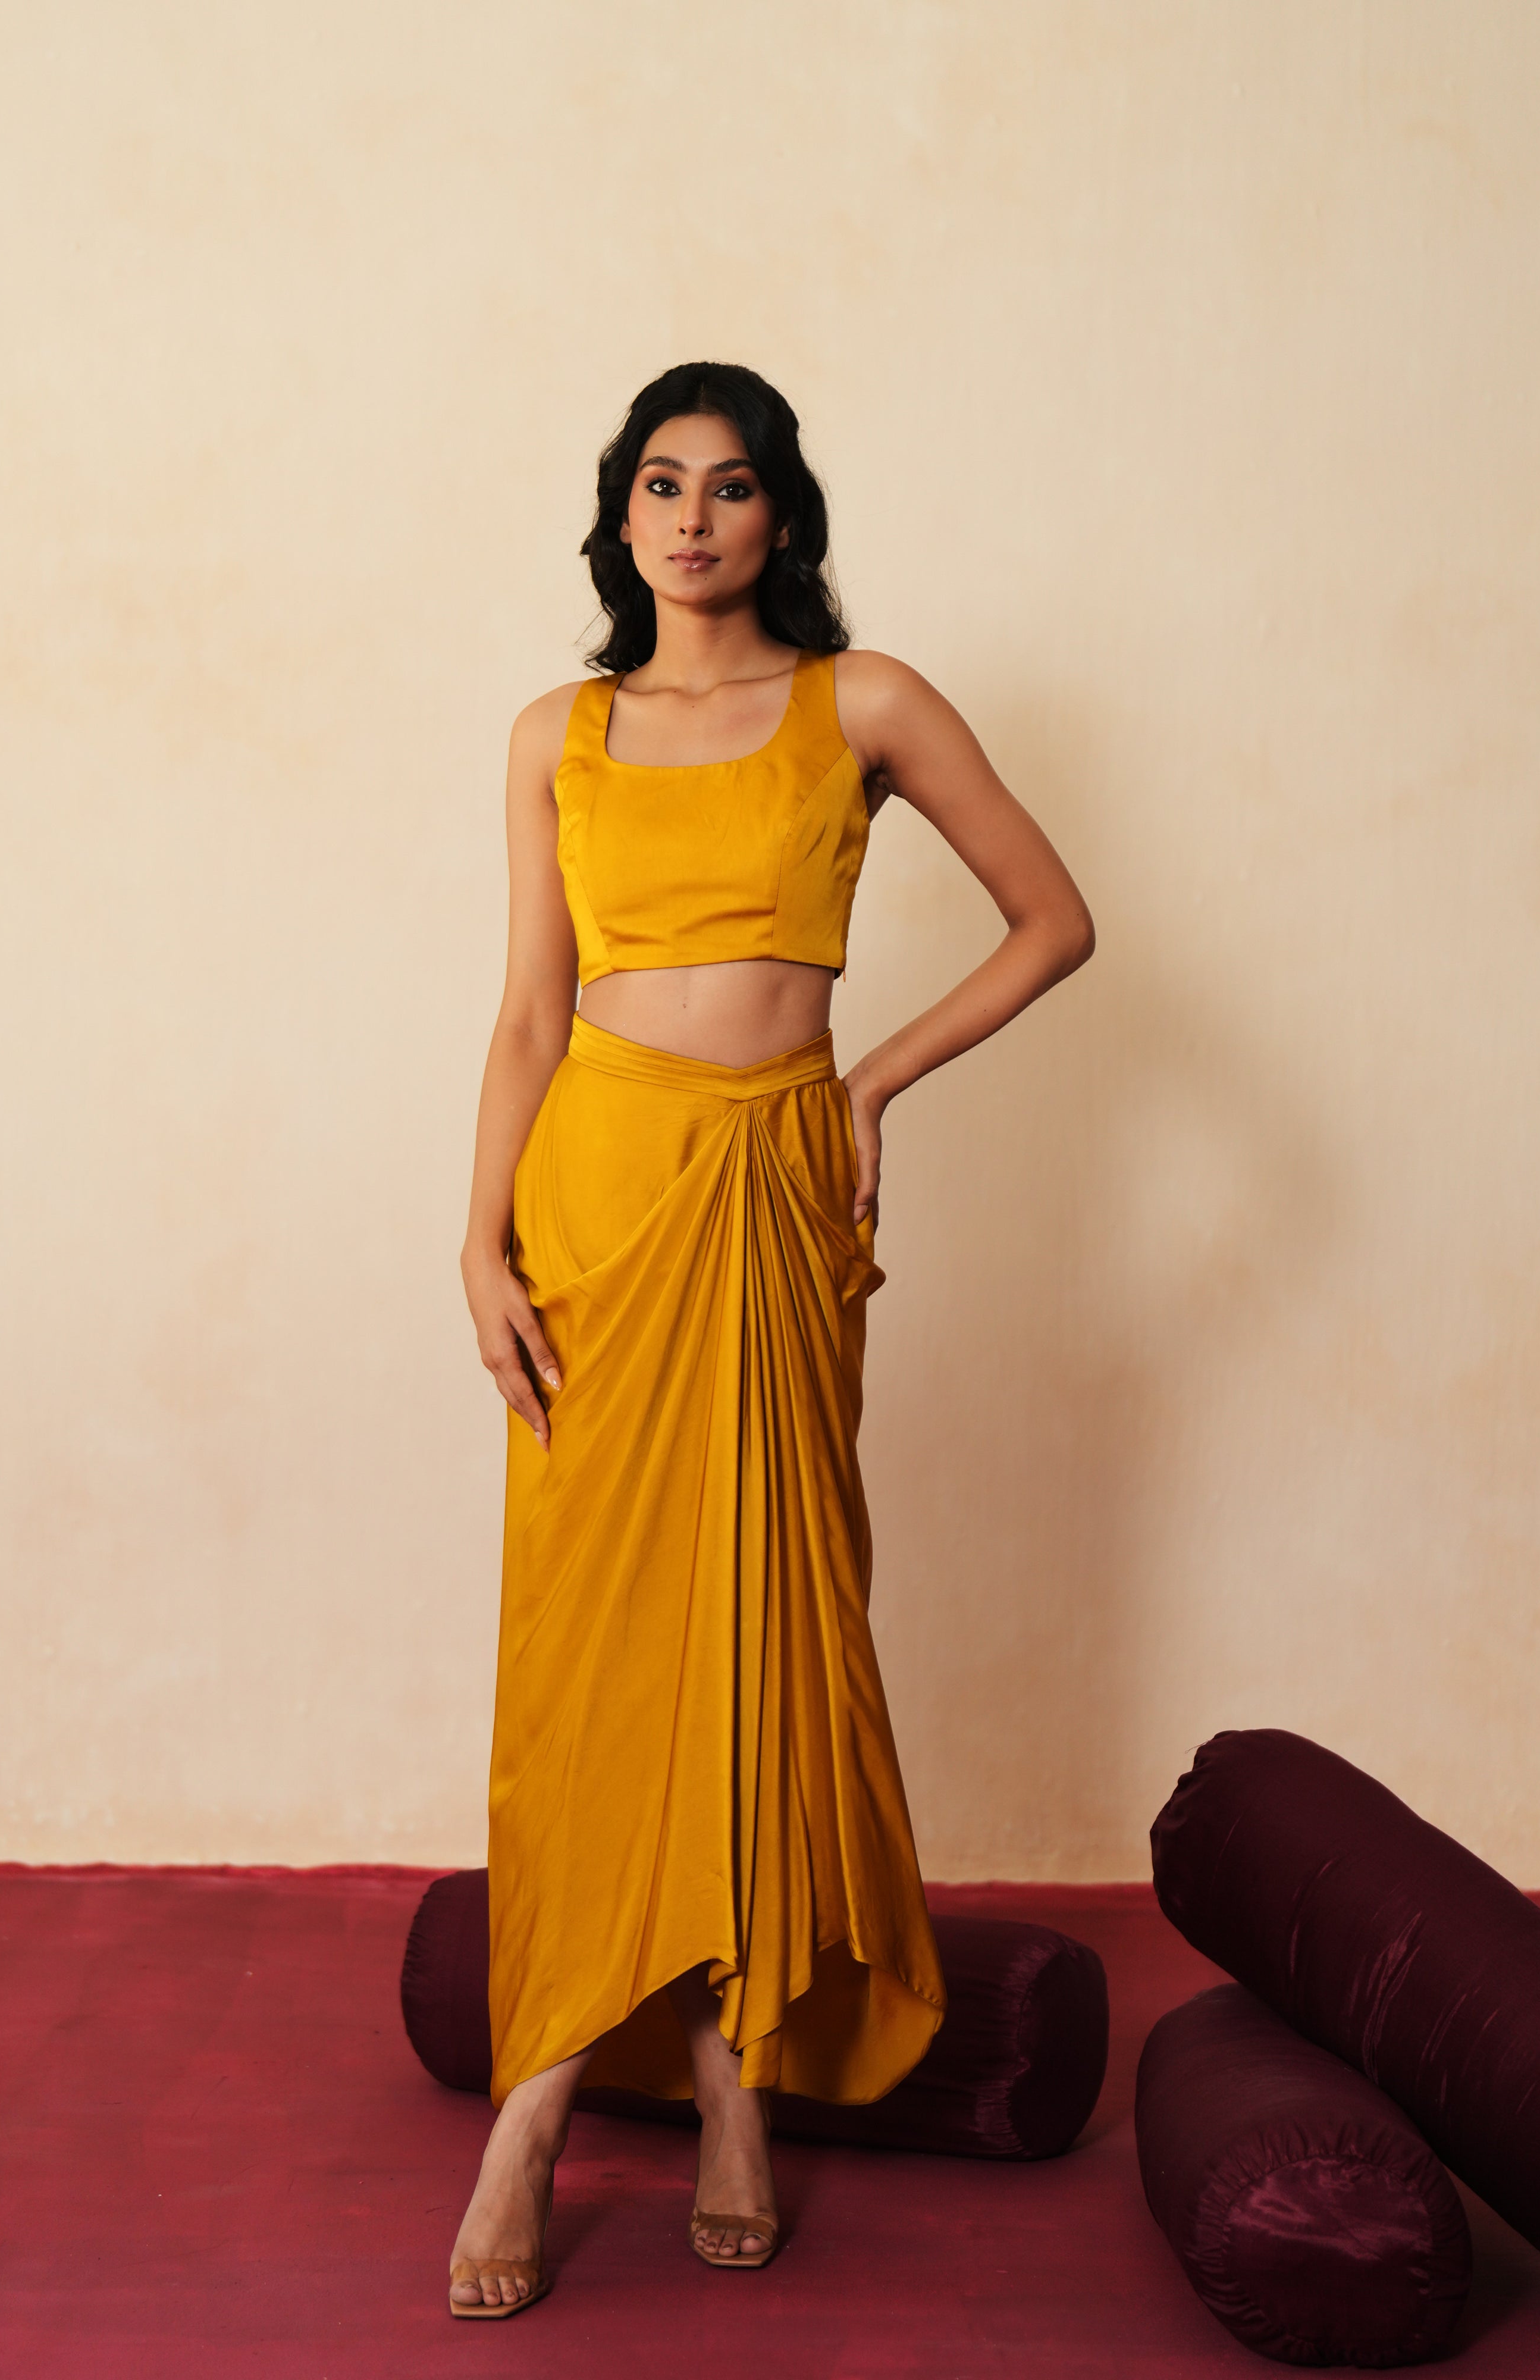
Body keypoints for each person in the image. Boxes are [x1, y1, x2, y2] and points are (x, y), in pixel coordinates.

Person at [448, 362, 1094, 2318]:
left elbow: (1053, 919)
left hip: (777, 1192)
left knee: (769, 1620)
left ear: (782, 517)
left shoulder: (862, 703)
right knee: (588, 1653)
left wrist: (871, 1080)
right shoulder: (557, 732)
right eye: (660, 485)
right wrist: (475, 1241)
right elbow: (531, 1015)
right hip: (597, 1200)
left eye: (730, 487)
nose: (693, 517)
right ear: (621, 515)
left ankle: (738, 2075)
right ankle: (534, 2111)